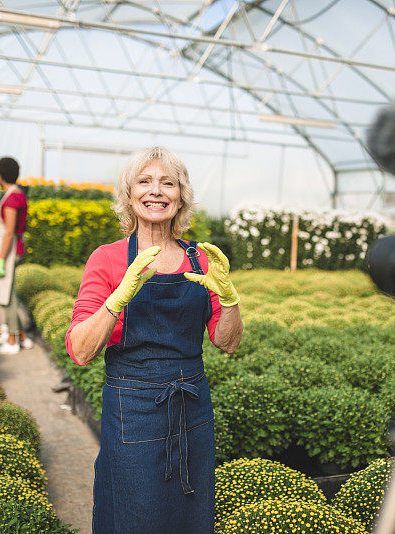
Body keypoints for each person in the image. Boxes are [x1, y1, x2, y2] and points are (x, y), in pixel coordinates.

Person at [65, 146, 243, 534]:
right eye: (144, 182)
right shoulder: (108, 259)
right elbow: (80, 350)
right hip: (133, 406)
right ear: (129, 196)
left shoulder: (201, 260)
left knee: (191, 512)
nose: (156, 191)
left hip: (191, 405)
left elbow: (227, 343)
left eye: (168, 182)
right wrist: (117, 300)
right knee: (137, 513)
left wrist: (229, 300)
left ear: (181, 196)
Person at [0, 156, 33, 354]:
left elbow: (9, 231)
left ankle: (13, 341)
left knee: (7, 296)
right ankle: (20, 336)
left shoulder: (13, 197)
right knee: (8, 294)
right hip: (5, 247)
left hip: (8, 249)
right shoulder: (10, 193)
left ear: (0, 173)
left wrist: (1, 259)